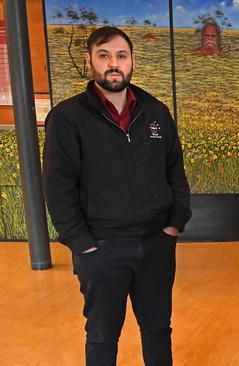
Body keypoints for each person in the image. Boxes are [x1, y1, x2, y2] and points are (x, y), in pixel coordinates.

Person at [43, 26, 191, 366]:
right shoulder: (67, 118)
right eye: (104, 55)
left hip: (156, 244)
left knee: (157, 330)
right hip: (102, 248)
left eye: (121, 56)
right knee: (102, 337)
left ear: (132, 61)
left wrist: (173, 227)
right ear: (90, 61)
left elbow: (176, 175)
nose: (114, 64)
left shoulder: (156, 113)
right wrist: (83, 245)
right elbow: (58, 185)